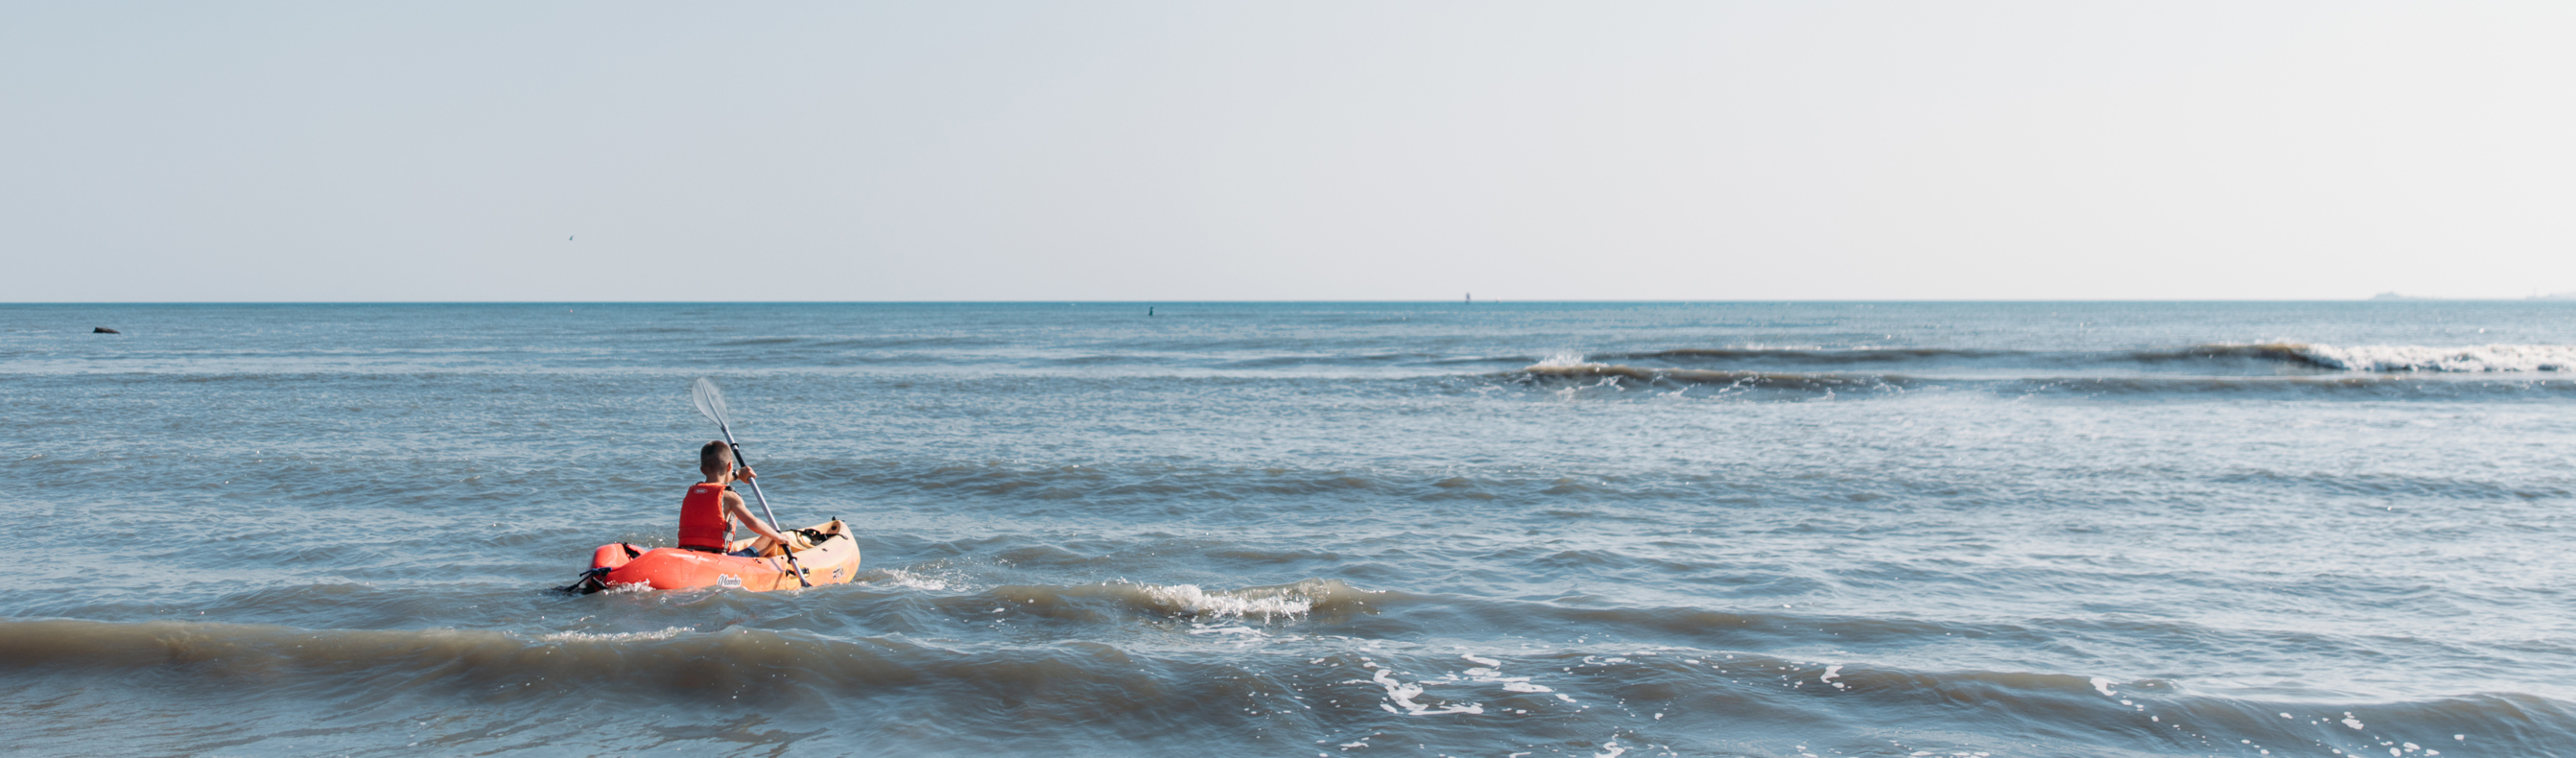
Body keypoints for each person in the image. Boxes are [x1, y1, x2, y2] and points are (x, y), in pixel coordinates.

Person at [679, 440, 811, 557]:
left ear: (702, 470)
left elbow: (715, 480)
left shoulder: (692, 492)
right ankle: (771, 566)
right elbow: (751, 523)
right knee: (770, 537)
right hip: (718, 559)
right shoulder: (730, 497)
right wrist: (778, 537)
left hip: (688, 553)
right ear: (730, 466)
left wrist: (738, 475)